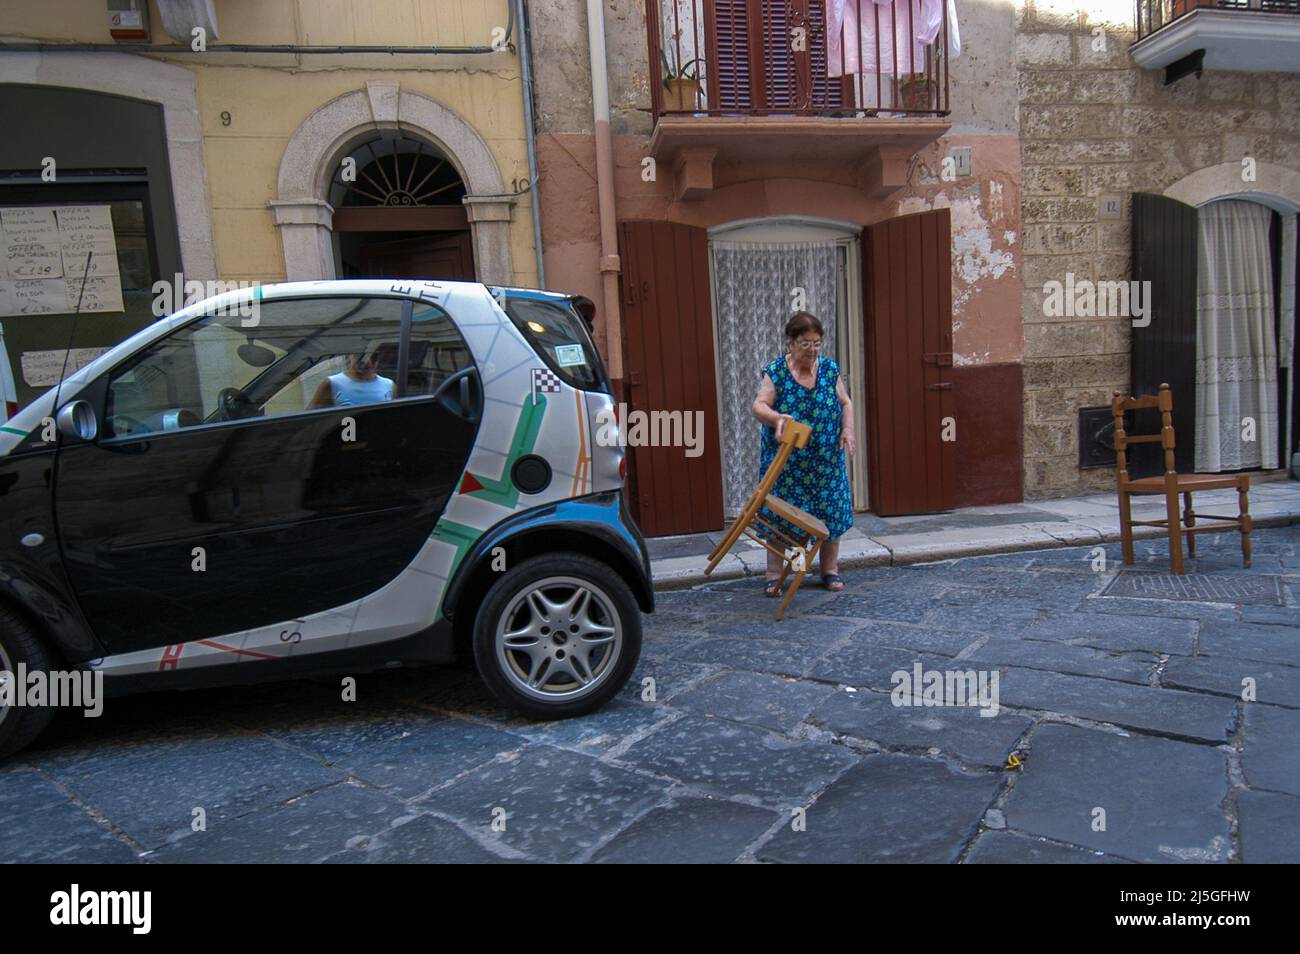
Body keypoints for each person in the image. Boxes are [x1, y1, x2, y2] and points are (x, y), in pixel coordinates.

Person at [751, 311, 855, 594]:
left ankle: (829, 570)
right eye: (805, 344)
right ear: (790, 343)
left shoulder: (830, 370)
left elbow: (845, 403)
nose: (812, 350)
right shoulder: (776, 372)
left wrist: (848, 430)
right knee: (787, 517)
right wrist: (776, 418)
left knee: (830, 514)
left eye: (817, 343)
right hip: (789, 464)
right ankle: (780, 572)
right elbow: (758, 406)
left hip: (826, 462)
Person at [307, 350, 395, 408]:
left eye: (373, 357)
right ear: (349, 357)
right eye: (360, 356)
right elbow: (310, 418)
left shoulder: (389, 385)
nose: (367, 361)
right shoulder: (332, 383)